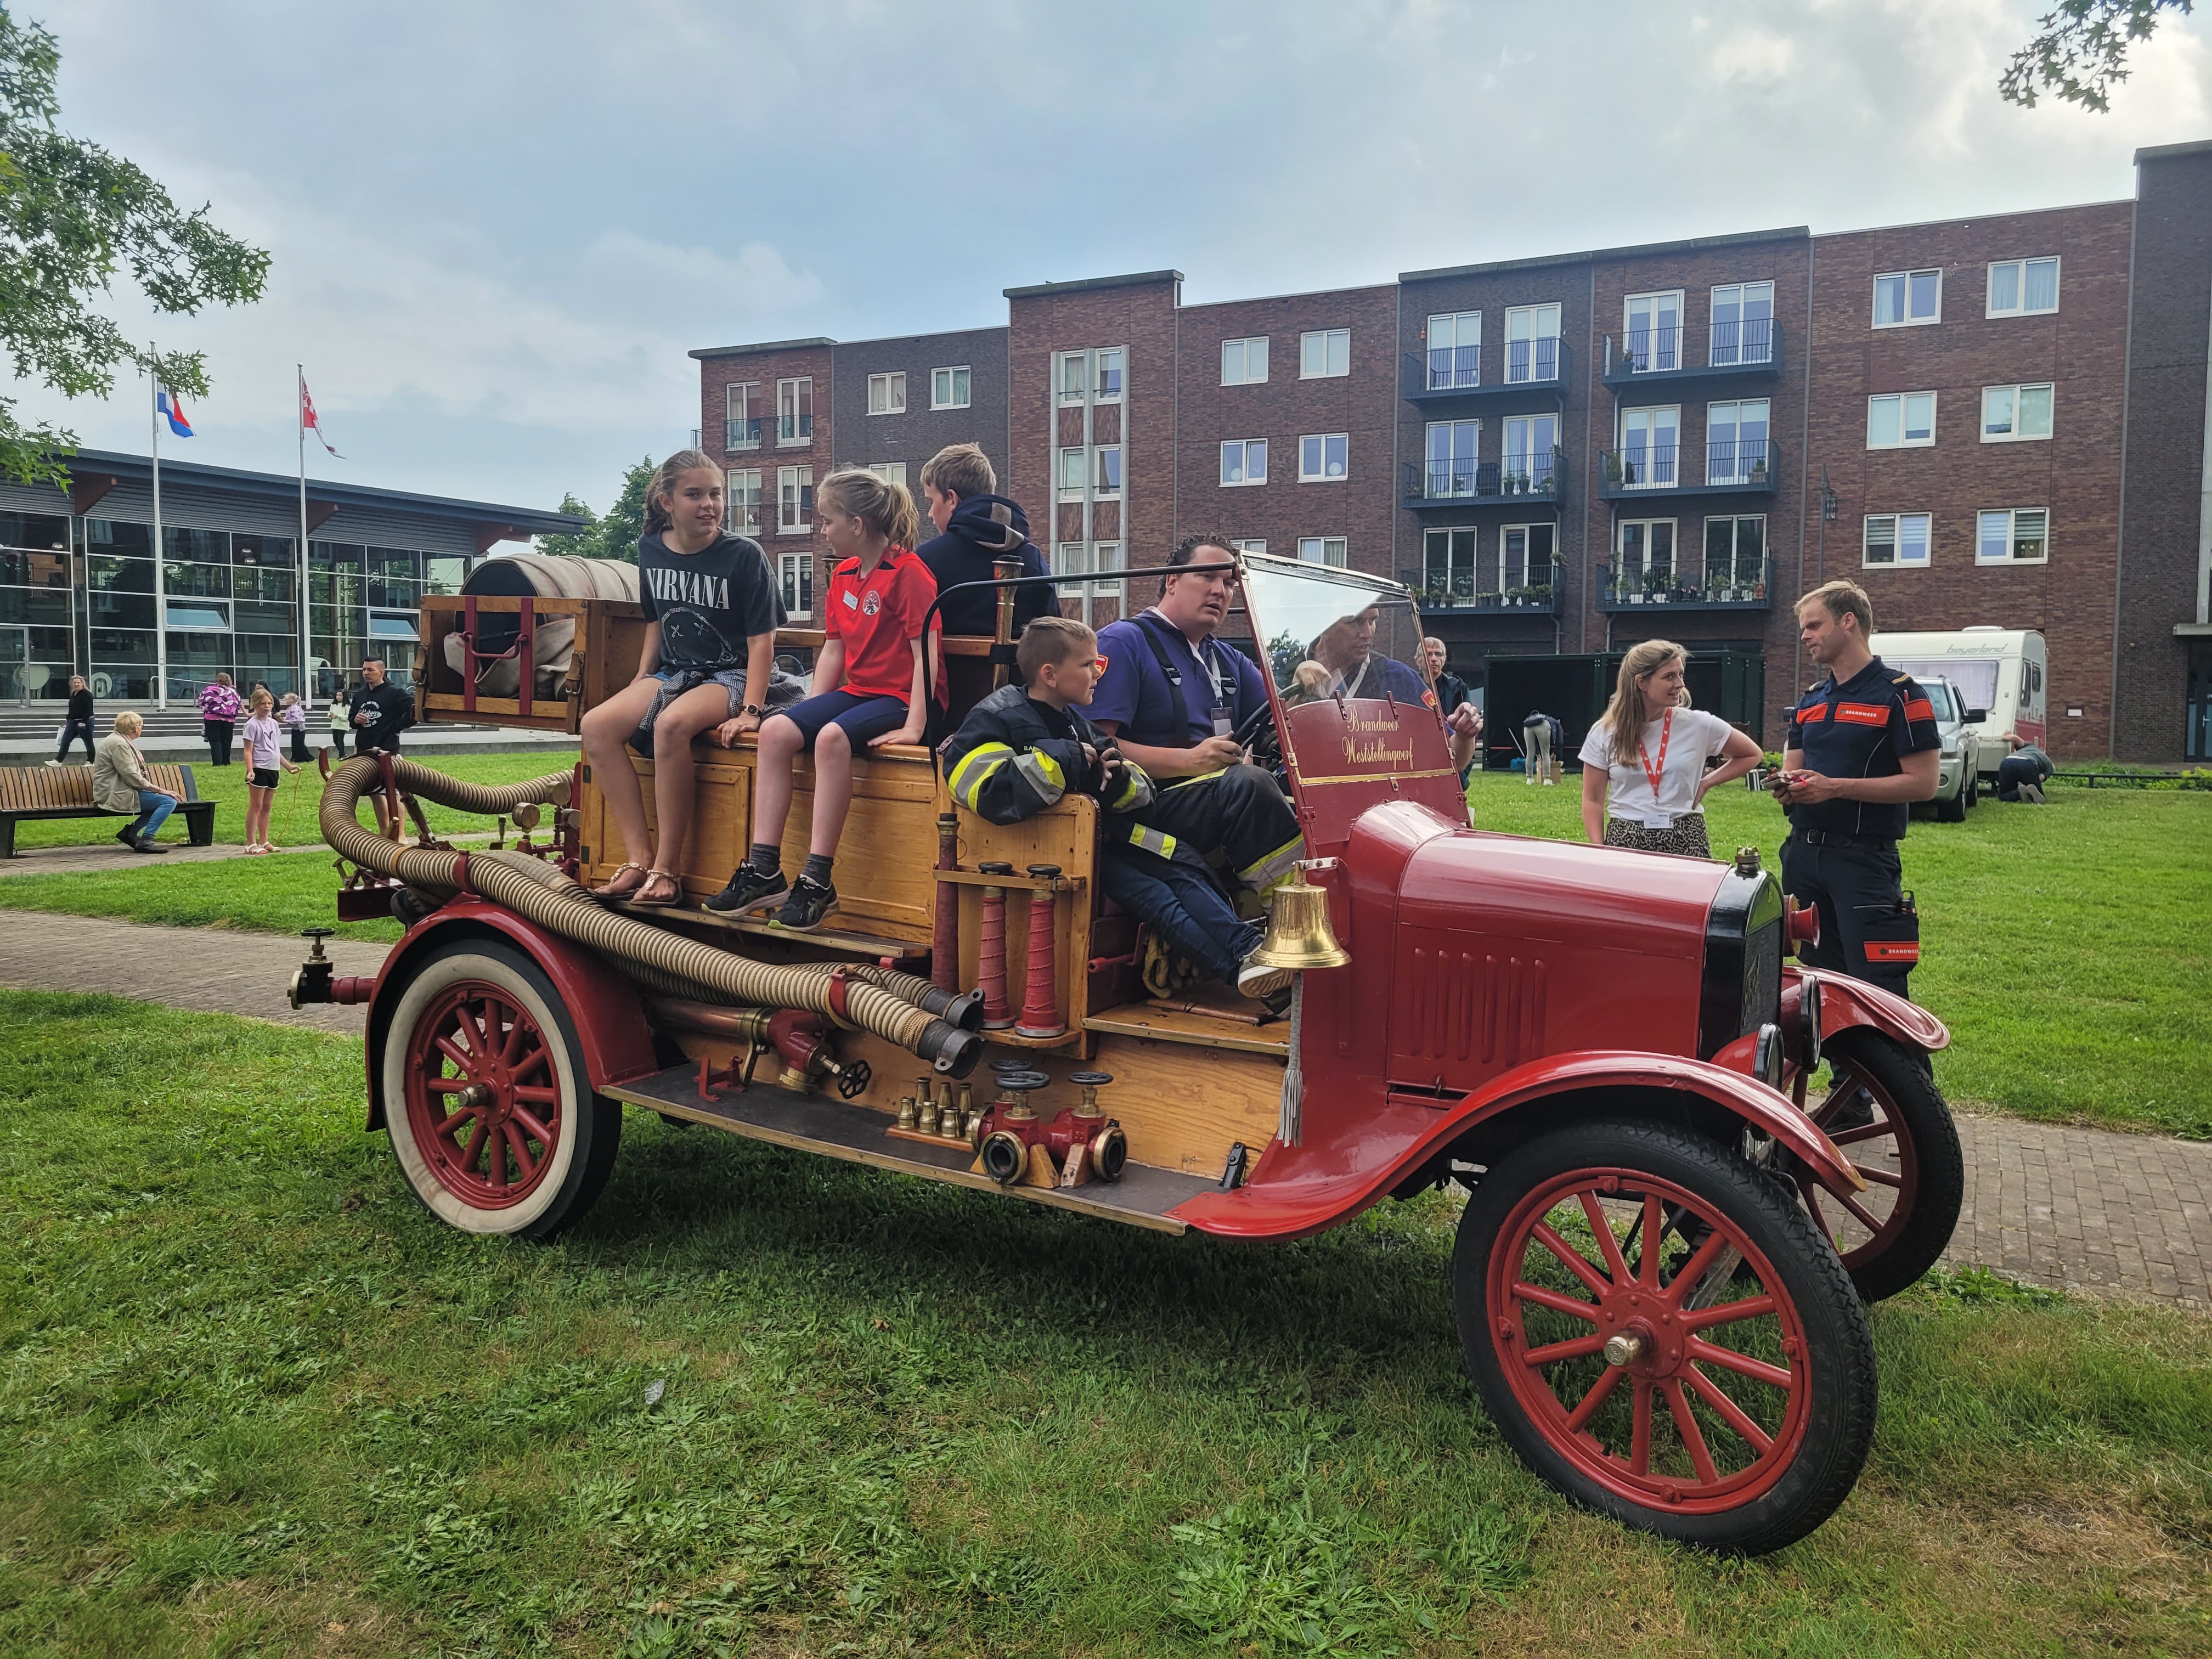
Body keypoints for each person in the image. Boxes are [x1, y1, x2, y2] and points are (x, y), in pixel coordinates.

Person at [944, 614, 1291, 1006]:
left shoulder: (1076, 722)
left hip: (1104, 841)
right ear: (1050, 674)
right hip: (1056, 856)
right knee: (1156, 896)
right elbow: (984, 789)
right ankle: (1245, 972)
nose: (1098, 673)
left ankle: (1251, 950)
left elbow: (1138, 787)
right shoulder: (995, 717)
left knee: (1183, 870)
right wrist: (1066, 760)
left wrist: (1114, 779)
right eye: (1089, 665)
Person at [707, 469, 936, 931]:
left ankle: (817, 881)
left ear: (857, 524)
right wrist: (807, 714)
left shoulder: (909, 574)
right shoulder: (845, 575)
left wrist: (915, 727)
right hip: (859, 692)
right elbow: (834, 649)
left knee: (832, 739)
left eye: (828, 520)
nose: (822, 530)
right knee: (776, 729)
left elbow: (925, 654)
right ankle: (764, 870)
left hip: (902, 698)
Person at [577, 450, 781, 907]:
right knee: (596, 726)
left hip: (733, 674)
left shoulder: (744, 556)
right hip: (676, 672)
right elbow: (656, 621)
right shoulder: (649, 548)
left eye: (716, 494)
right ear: (667, 502)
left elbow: (763, 642)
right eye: (695, 495)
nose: (709, 504)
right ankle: (638, 859)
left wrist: (752, 710)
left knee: (671, 725)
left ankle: (667, 872)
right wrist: (641, 677)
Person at [1087, 535, 1305, 901]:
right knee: (1249, 785)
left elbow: (1287, 725)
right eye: (1207, 576)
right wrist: (1190, 761)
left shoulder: (1228, 659)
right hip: (1143, 809)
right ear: (1171, 581)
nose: (1220, 590)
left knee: (1303, 802)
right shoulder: (1123, 642)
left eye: (1230, 582)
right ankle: (1294, 917)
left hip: (1214, 805)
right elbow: (1095, 749)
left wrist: (1312, 685)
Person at [1771, 580, 1940, 998]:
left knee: (1879, 989)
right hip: (1803, 856)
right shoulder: (1809, 701)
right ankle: (1846, 1066)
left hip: (1863, 863)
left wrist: (1834, 789)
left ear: (1848, 622)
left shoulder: (1901, 695)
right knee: (1821, 984)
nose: (1805, 636)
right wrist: (1787, 787)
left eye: (1814, 625)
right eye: (1803, 628)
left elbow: (1924, 784)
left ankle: (1898, 1067)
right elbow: (1796, 769)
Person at [1578, 640, 1760, 857]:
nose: (1680, 684)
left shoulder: (1698, 724)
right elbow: (1592, 800)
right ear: (1641, 683)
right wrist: (1600, 850)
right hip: (1626, 840)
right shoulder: (1605, 732)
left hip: (1686, 837)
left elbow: (1752, 754)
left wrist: (1706, 783)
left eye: (1681, 674)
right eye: (1669, 677)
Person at [916, 442, 1051, 637]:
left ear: (952, 499)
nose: (930, 514)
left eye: (931, 501)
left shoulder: (928, 558)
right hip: (1021, 668)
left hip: (952, 668)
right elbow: (1054, 634)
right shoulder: (1032, 557)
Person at [347, 656, 416, 836]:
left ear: (382, 672)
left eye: (370, 670)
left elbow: (414, 709)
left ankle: (400, 836)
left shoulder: (394, 692)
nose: (366, 673)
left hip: (387, 750)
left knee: (394, 795)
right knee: (375, 795)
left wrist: (397, 727)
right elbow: (352, 718)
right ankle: (385, 834)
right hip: (364, 751)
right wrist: (356, 719)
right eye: (364, 670)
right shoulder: (361, 694)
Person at [93, 710, 174, 854]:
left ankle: (131, 833)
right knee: (168, 802)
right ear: (136, 729)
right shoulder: (119, 745)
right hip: (115, 793)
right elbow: (131, 776)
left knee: (161, 802)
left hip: (122, 790)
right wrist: (159, 790)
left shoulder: (118, 740)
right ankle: (146, 840)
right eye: (141, 726)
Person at [239, 687, 302, 854]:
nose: (266, 707)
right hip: (259, 768)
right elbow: (248, 751)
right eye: (262, 704)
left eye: (269, 704)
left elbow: (275, 749)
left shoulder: (274, 723)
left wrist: (288, 766)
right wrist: (250, 770)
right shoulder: (251, 725)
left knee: (267, 806)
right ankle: (250, 843)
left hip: (273, 768)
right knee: (256, 806)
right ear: (254, 705)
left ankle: (264, 840)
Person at [1996, 731, 2055, 803]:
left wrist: (2003, 736)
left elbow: (2014, 738)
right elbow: (2040, 778)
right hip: (2027, 763)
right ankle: (2030, 793)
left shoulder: (2030, 746)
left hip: (2008, 761)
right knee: (2039, 796)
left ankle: (2019, 793)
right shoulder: (2049, 766)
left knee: (2004, 795)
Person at [198, 671, 242, 765]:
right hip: (229, 720)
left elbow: (201, 701)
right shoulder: (233, 692)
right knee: (227, 741)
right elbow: (238, 704)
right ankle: (226, 762)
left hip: (212, 719)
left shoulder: (209, 690)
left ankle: (217, 763)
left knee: (215, 741)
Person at [50, 675, 94, 766]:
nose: (76, 684)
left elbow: (89, 710)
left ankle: (91, 761)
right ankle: (58, 761)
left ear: (82, 684)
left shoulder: (87, 695)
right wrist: (68, 718)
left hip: (84, 722)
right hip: (73, 721)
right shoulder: (74, 694)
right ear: (72, 684)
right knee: (65, 740)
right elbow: (72, 708)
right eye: (75, 683)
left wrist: (84, 722)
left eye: (78, 683)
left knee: (88, 742)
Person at [1521, 708, 1561, 785]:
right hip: (1543, 726)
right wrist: (1555, 753)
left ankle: (1530, 779)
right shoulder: (1555, 723)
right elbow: (1561, 741)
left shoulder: (1530, 721)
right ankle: (1547, 779)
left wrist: (1537, 754)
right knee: (1545, 753)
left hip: (1528, 726)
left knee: (1529, 753)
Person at [279, 690, 311, 763]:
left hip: (299, 728)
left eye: (287, 699)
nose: (285, 701)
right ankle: (297, 758)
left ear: (292, 700)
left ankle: (304, 758)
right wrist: (283, 719)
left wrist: (285, 721)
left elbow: (296, 720)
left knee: (299, 744)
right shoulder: (291, 709)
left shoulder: (295, 709)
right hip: (295, 728)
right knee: (295, 744)